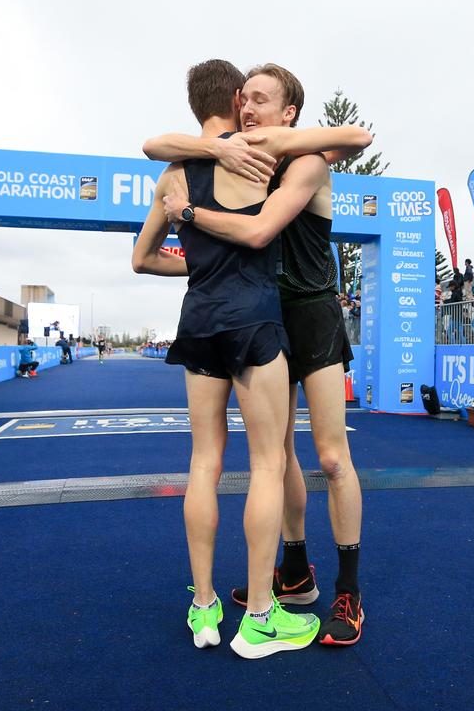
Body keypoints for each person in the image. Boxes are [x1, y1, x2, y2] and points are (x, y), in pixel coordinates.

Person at [135, 59, 371, 657]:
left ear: (288, 113)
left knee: (330, 456)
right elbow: (158, 144)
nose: (248, 108)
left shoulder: (301, 158)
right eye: (244, 99)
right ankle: (292, 574)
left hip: (311, 313)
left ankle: (348, 590)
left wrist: (187, 209)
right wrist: (219, 149)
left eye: (260, 99)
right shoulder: (237, 156)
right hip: (264, 314)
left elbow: (353, 139)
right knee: (280, 456)